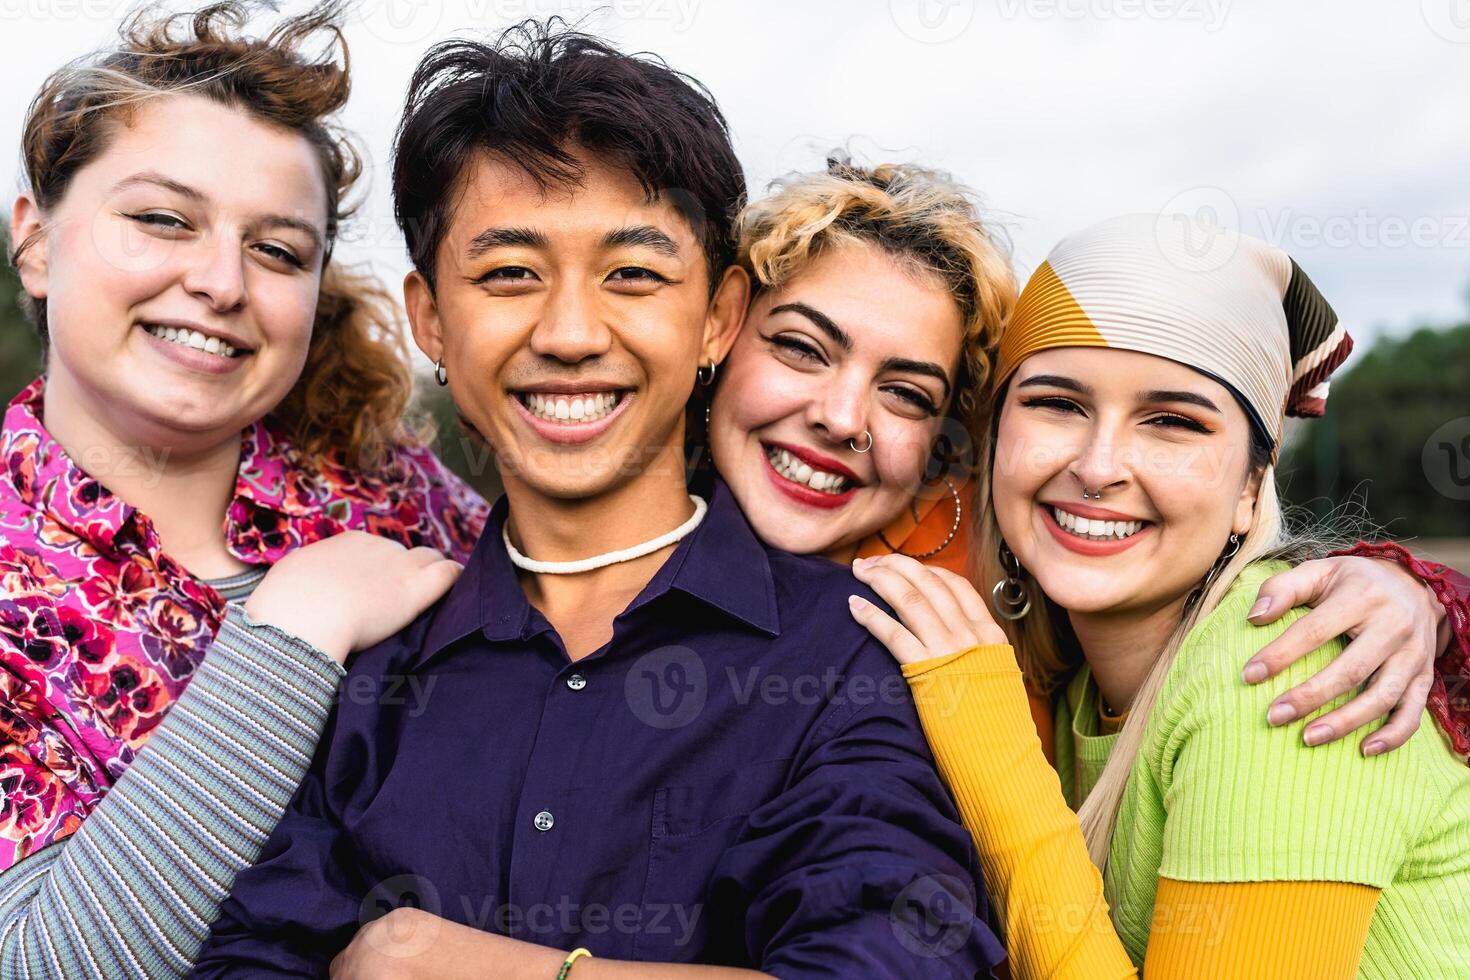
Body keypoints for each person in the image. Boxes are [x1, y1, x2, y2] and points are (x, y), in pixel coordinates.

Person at [191, 22, 1005, 978]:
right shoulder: (363, 672)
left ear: (717, 318)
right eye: (508, 274)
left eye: (632, 275)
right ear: (431, 323)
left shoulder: (852, 661)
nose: (572, 332)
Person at [851, 214, 1470, 977]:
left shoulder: (1283, 669)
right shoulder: (1078, 682)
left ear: (1250, 487)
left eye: (1172, 421)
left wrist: (991, 749)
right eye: (1057, 403)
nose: (1099, 465)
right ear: (995, 439)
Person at [0, 3, 483, 975]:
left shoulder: (399, 492)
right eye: (162, 218)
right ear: (37, 241)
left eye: (277, 250)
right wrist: (293, 629)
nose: (223, 281)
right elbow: (39, 960)